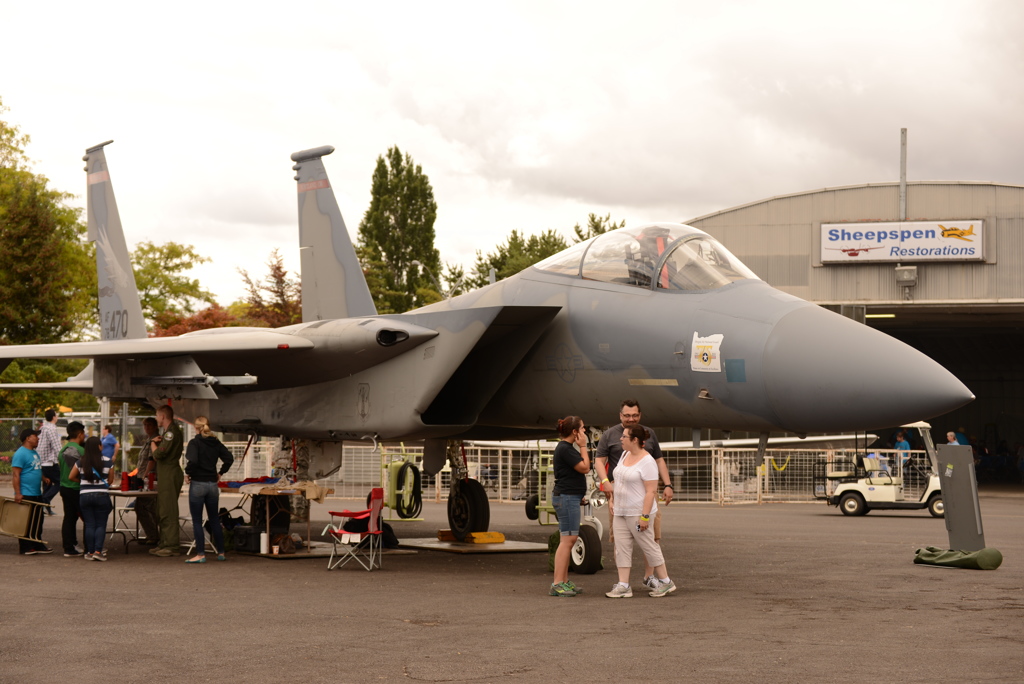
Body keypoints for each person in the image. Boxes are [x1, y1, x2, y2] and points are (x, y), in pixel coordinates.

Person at [594, 399, 674, 589]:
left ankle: (650, 577)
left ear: (640, 415)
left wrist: (668, 484)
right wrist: (606, 483)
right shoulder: (611, 437)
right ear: (620, 415)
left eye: (635, 415)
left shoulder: (648, 435)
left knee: (651, 537)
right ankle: (623, 583)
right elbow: (599, 461)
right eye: (627, 415)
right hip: (619, 494)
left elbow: (659, 461)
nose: (631, 419)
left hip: (644, 493)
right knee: (620, 540)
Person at [549, 415, 590, 597]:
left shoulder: (565, 448)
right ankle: (558, 582)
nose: (585, 432)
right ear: (575, 432)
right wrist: (583, 446)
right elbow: (584, 467)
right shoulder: (566, 449)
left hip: (568, 497)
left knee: (569, 540)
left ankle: (563, 581)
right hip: (566, 498)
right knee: (567, 541)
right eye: (582, 429)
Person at [183, 416, 234, 564]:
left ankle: (200, 554)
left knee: (197, 521)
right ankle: (221, 552)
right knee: (214, 520)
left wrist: (188, 473)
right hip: (213, 485)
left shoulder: (195, 442)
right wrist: (220, 473)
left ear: (196, 428)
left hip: (198, 483)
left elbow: (193, 461)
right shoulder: (216, 442)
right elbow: (229, 458)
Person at [70, 436, 116, 561]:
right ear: (99, 446)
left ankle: (89, 552)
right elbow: (111, 481)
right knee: (101, 524)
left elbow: (71, 476)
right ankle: (98, 551)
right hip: (101, 495)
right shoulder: (108, 461)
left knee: (90, 524)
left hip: (84, 496)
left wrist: (82, 481)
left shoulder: (81, 461)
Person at [149, 405, 185, 557]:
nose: (156, 419)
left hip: (170, 473)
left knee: (169, 510)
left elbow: (158, 455)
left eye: (157, 416)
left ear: (163, 416)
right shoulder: (168, 432)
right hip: (165, 474)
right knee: (162, 509)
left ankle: (172, 545)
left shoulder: (171, 433)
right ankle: (164, 542)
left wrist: (152, 443)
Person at [11, 429, 52, 555]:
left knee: (37, 520)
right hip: (26, 493)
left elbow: (34, 468)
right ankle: (25, 547)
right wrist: (18, 493)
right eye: (35, 436)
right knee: (25, 521)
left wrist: (43, 478)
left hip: (36, 492)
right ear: (28, 438)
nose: (38, 439)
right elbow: (16, 475)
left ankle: (36, 543)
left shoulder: (34, 453)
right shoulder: (20, 454)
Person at [57, 421, 86, 557]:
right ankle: (91, 546)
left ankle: (69, 547)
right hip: (77, 487)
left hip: (64, 487)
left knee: (69, 517)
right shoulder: (81, 451)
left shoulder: (63, 449)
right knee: (87, 518)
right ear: (80, 434)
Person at [133, 417, 162, 545]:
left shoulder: (156, 440)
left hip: (150, 478)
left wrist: (145, 476)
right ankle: (153, 534)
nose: (147, 427)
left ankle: (159, 534)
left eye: (149, 425)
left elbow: (152, 459)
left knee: (147, 506)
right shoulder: (148, 440)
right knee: (142, 506)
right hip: (142, 477)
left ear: (156, 426)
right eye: (145, 425)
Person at [38, 409, 62, 514]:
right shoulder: (51, 429)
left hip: (42, 461)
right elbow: (56, 446)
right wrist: (62, 459)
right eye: (56, 415)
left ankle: (46, 508)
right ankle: (44, 500)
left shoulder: (43, 428)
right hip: (50, 462)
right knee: (60, 482)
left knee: (47, 483)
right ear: (53, 417)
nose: (57, 417)